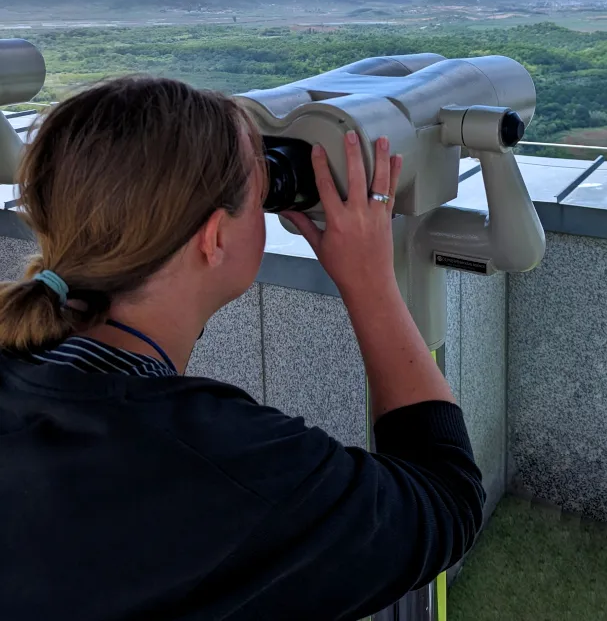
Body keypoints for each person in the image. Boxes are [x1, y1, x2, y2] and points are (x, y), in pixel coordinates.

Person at [0, 75, 485, 620]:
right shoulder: (224, 465)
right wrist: (371, 285)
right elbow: (444, 502)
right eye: (260, 194)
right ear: (214, 239)